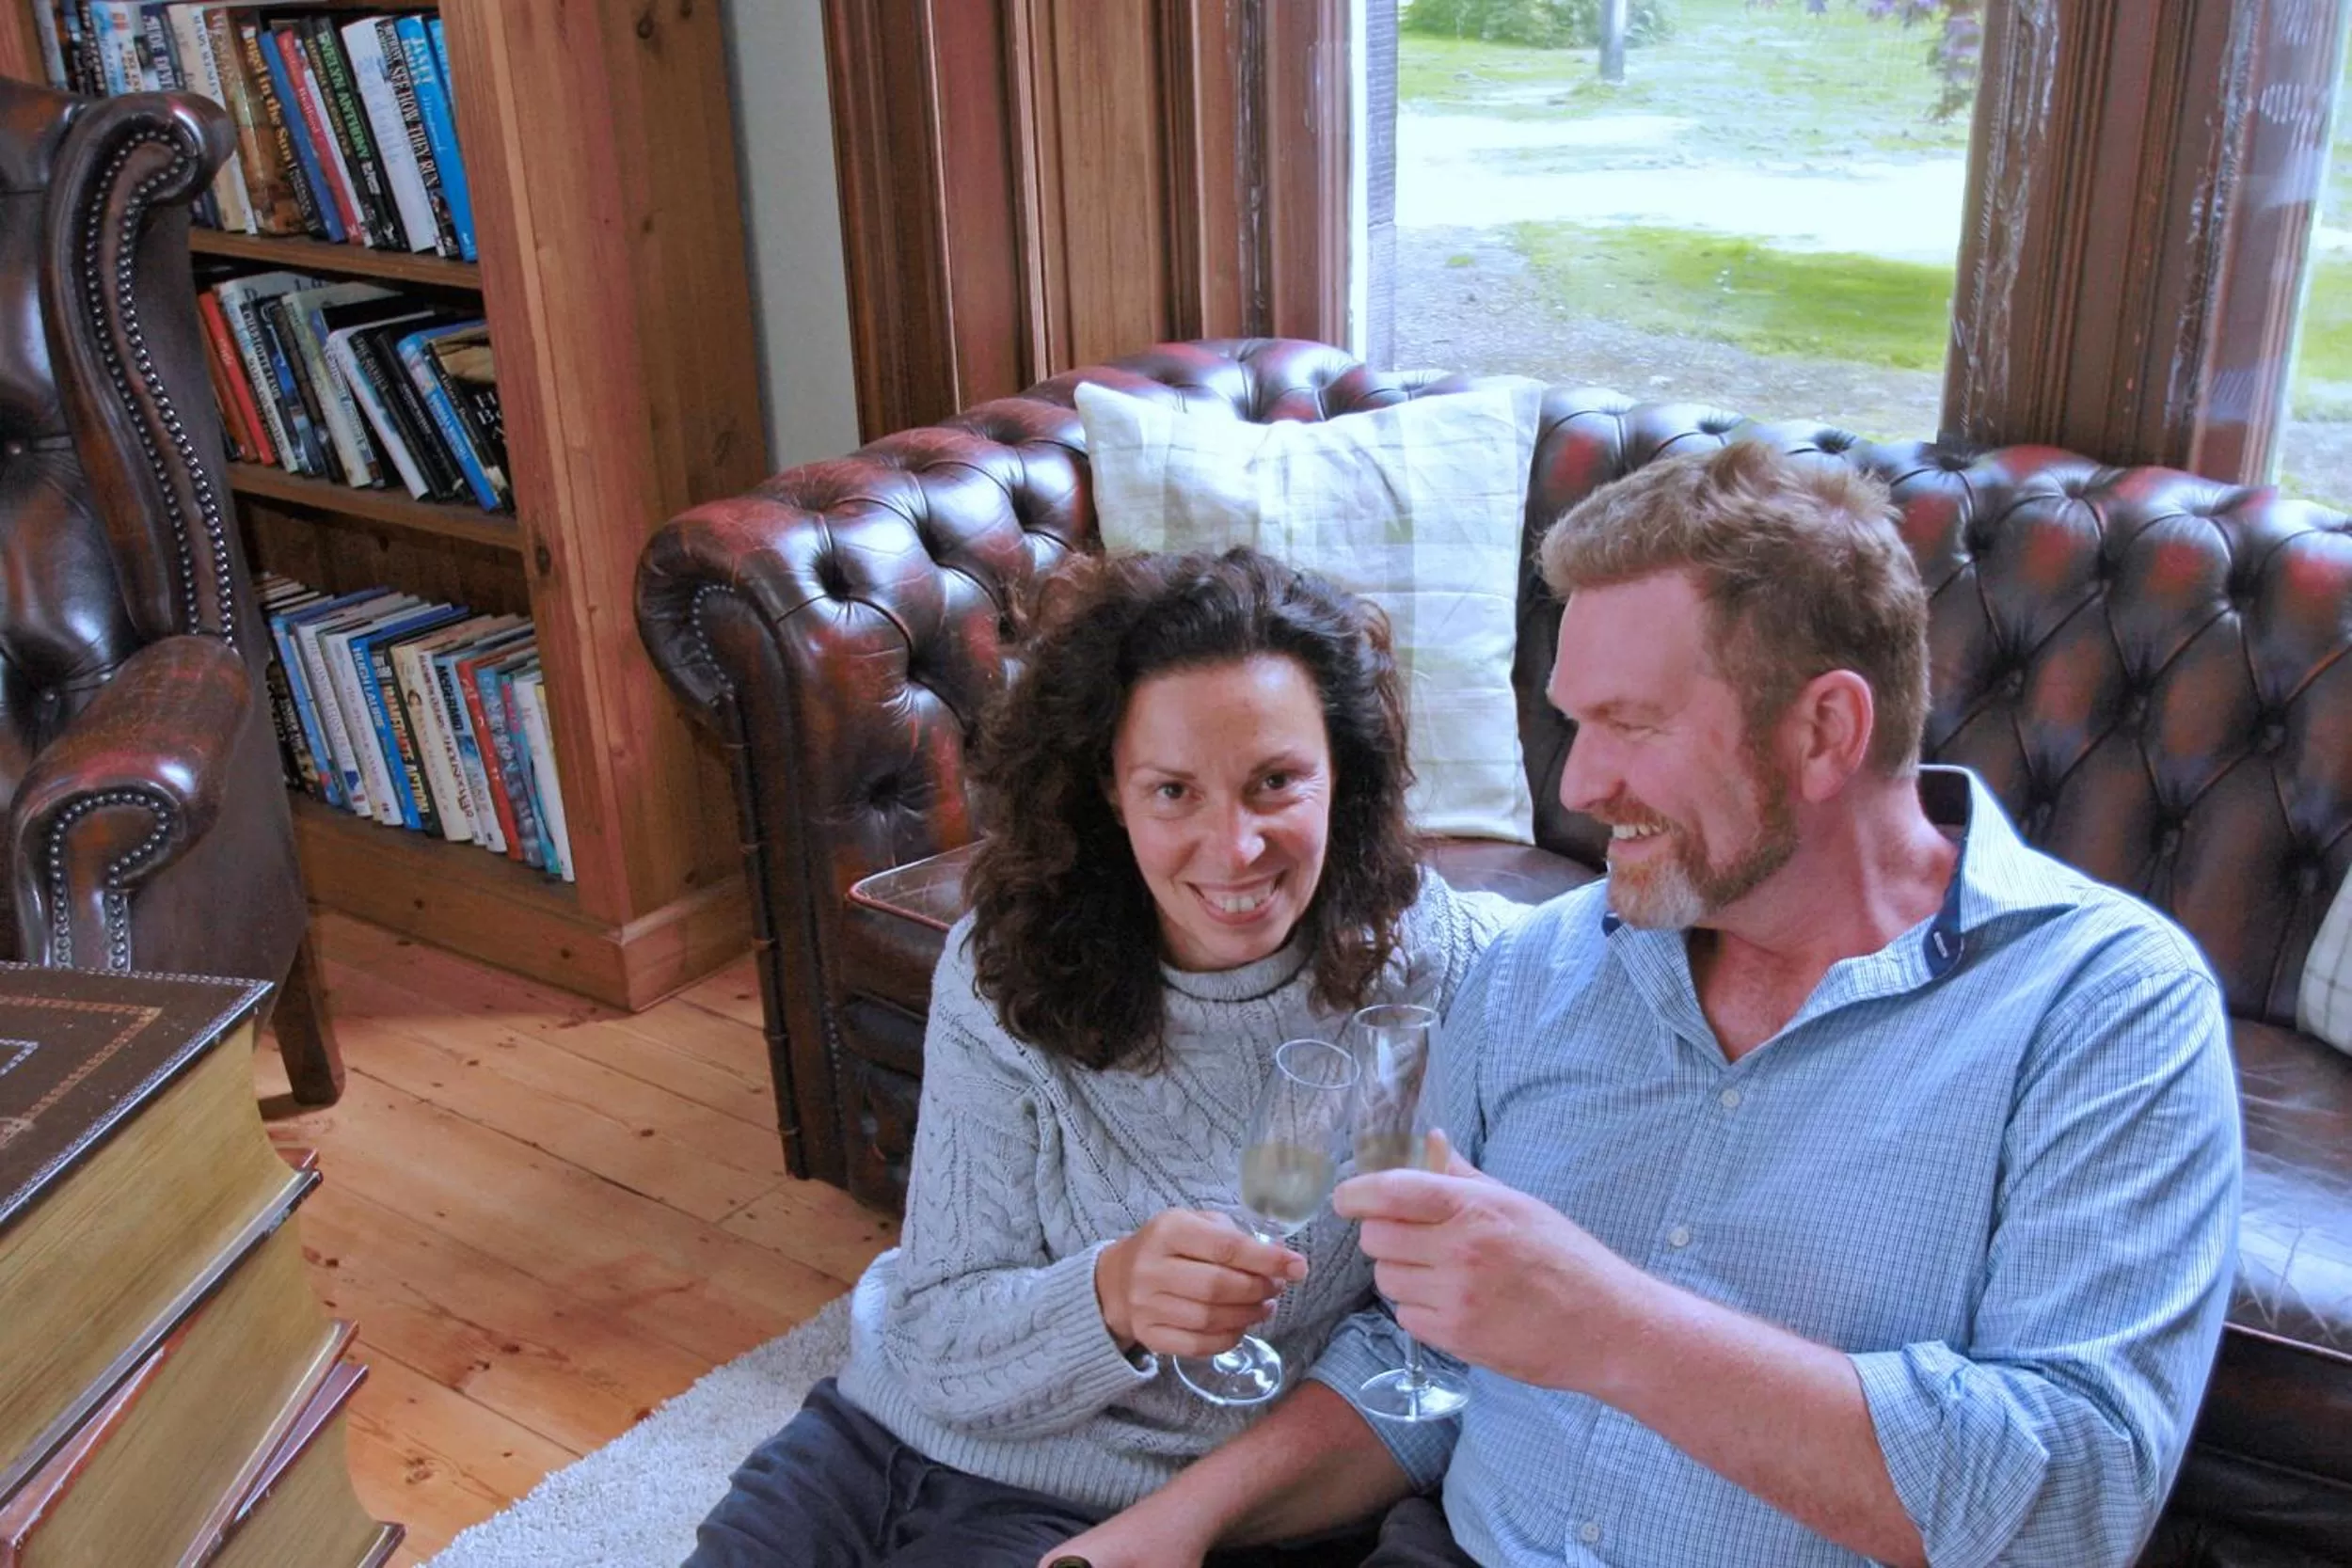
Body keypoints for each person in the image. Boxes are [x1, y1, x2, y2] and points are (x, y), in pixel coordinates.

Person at [1043, 441, 2242, 1568]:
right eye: (1573, 720)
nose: (1578, 783)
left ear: (1824, 728)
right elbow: (1418, 1366)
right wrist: (1173, 1524)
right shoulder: (1538, 972)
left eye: (1629, 723)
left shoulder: (2104, 1012)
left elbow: (2075, 1504)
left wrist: (1606, 1323)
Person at [686, 547, 1518, 1568]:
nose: (1236, 847)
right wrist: (1112, 1292)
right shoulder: (1006, 958)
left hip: (1122, 1509)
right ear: (1109, 792)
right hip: (882, 1439)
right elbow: (933, 1332)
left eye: (1276, 781)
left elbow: (1427, 1360)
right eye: (1174, 790)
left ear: (1341, 770)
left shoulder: (1446, 970)